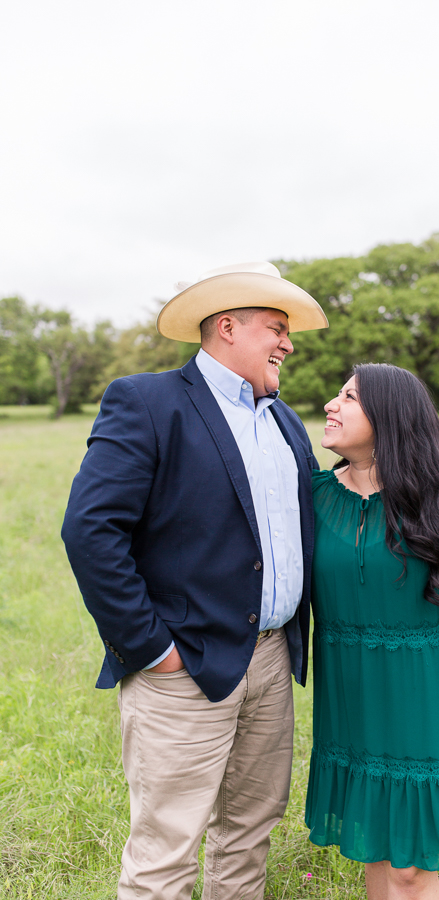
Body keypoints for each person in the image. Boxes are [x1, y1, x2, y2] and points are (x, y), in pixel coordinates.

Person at [60, 261, 328, 899]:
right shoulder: (147, 401)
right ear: (228, 327)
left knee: (248, 834)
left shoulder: (284, 419)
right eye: (276, 328)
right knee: (166, 848)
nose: (288, 343)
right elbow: (90, 530)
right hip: (181, 667)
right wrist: (154, 648)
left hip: (270, 662)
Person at [304, 363, 439, 900]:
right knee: (380, 844)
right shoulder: (314, 495)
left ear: (390, 418)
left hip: (426, 696)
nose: (331, 404)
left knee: (411, 862)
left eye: (349, 398)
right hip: (352, 699)